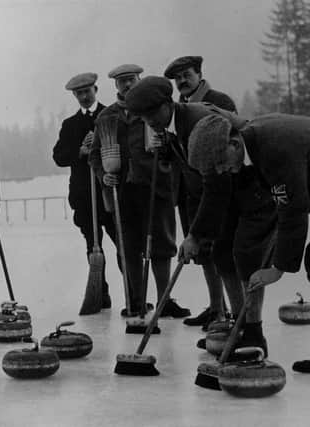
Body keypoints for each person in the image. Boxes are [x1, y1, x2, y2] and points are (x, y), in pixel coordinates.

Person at [188, 113, 310, 383]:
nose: (225, 171)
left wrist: (278, 268)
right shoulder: (253, 145)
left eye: (222, 164)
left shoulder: (274, 151)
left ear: (234, 144)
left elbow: (293, 210)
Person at [125, 76, 276, 352]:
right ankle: (239, 324)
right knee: (221, 254)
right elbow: (196, 172)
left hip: (249, 188)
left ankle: (253, 332)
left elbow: (217, 184)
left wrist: (195, 235)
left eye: (151, 114)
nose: (148, 122)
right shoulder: (171, 125)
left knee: (244, 255)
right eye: (143, 118)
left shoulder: (197, 122)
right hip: (224, 190)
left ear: (166, 104)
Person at [89, 64, 189, 318]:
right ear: (116, 86)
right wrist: (104, 175)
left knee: (161, 244)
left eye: (131, 79)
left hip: (155, 186)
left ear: (139, 80)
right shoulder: (107, 117)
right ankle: (135, 300)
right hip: (123, 192)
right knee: (129, 247)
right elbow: (94, 156)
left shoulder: (155, 110)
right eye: (122, 81)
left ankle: (165, 299)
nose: (127, 85)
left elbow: (176, 145)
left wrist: (165, 149)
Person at [164, 56, 241, 329]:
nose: (182, 81)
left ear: (199, 74)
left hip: (215, 190)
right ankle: (216, 308)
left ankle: (234, 314)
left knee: (221, 250)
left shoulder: (219, 101)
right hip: (190, 190)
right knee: (203, 253)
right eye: (178, 78)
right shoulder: (176, 110)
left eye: (187, 75)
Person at [53, 72, 116, 309]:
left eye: (87, 91)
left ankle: (135, 295)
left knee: (122, 243)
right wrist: (79, 152)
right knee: (93, 246)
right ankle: (100, 292)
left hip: (110, 194)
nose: (84, 97)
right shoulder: (70, 125)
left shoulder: (111, 115)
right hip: (84, 196)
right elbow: (58, 157)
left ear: (95, 90)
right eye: (79, 94)